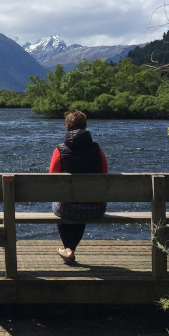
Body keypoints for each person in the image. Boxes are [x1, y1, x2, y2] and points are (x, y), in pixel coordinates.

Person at [49, 109, 107, 265]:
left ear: (66, 127)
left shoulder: (59, 150)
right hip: (95, 208)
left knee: (62, 203)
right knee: (83, 201)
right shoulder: (96, 149)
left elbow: (52, 179)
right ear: (85, 127)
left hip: (67, 208)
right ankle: (70, 249)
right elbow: (105, 173)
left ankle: (68, 248)